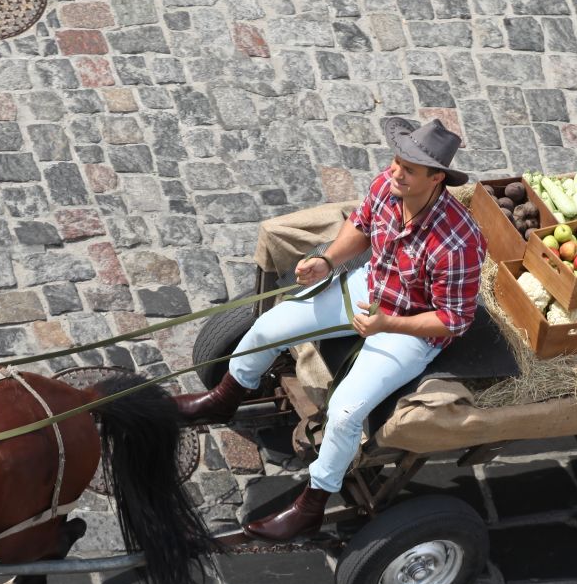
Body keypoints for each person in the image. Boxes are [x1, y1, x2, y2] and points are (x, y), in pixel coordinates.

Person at [175, 117, 485, 541]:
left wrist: (386, 324)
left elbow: (454, 320)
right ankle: (224, 398)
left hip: (410, 328)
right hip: (370, 288)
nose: (395, 172)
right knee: (269, 326)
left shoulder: (459, 241)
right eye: (395, 161)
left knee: (343, 414)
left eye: (408, 169)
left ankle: (313, 503)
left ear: (437, 178)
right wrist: (327, 261)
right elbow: (359, 226)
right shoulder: (387, 186)